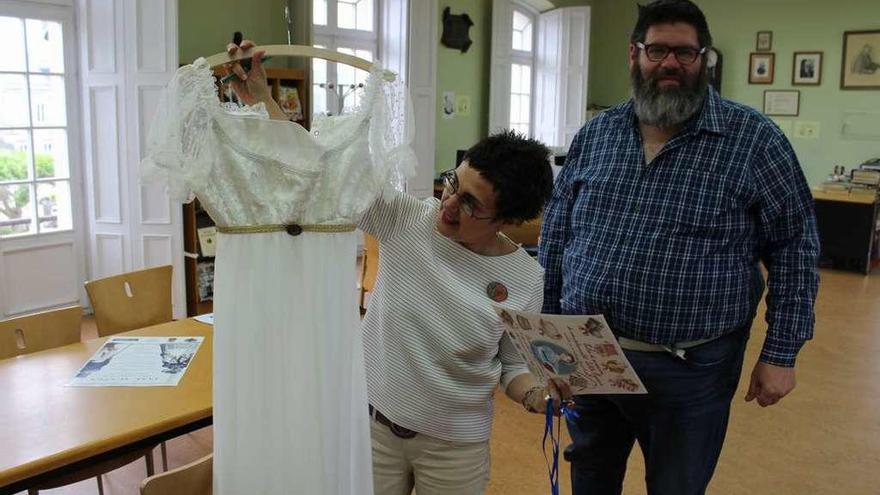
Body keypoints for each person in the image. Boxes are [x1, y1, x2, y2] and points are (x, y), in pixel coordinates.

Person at [225, 40, 570, 495]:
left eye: (470, 204)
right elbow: (317, 173)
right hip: (373, 428)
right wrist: (265, 100)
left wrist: (535, 393)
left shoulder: (525, 280)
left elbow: (511, 364)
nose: (448, 204)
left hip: (455, 448)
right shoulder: (409, 219)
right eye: (453, 184)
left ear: (506, 220)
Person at [538, 1, 820, 494]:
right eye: (658, 50)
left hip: (690, 370)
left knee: (677, 485)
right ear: (635, 55)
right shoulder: (597, 134)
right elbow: (557, 238)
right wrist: (553, 342)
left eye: (685, 53)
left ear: (704, 58)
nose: (670, 63)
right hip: (591, 356)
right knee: (591, 476)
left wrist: (781, 352)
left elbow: (795, 248)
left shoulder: (753, 140)